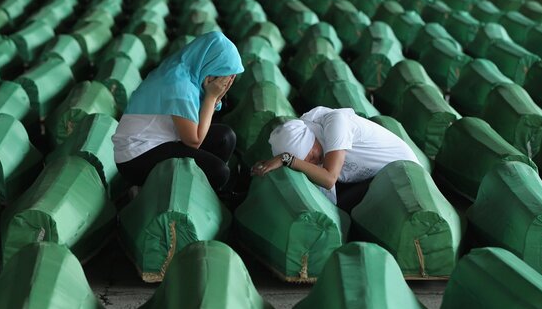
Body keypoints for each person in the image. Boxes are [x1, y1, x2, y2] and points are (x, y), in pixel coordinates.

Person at [112, 31, 244, 191]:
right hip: (136, 155)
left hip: (162, 138)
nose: (226, 83)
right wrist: (211, 97)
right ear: (210, 67)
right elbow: (194, 141)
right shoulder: (178, 83)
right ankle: (161, 194)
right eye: (224, 77)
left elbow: (198, 120)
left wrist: (215, 98)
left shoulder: (189, 72)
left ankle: (200, 194)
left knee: (225, 137)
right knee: (218, 172)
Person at [252, 106, 421, 211]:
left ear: (313, 138)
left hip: (401, 174)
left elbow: (329, 179)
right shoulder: (313, 135)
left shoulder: (336, 123)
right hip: (366, 177)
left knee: (343, 211)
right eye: (306, 160)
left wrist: (288, 159)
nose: (311, 162)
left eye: (310, 155)